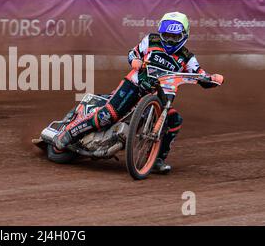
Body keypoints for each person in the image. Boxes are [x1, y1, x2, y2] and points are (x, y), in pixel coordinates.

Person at [53, 12, 224, 174]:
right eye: (167, 36)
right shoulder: (151, 40)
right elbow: (133, 53)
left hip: (161, 96)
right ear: (161, 33)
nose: (170, 40)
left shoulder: (187, 57)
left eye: (175, 37)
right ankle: (67, 134)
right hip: (135, 84)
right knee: (109, 115)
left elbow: (199, 73)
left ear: (184, 35)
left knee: (174, 120)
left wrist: (212, 78)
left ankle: (156, 159)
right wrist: (135, 60)